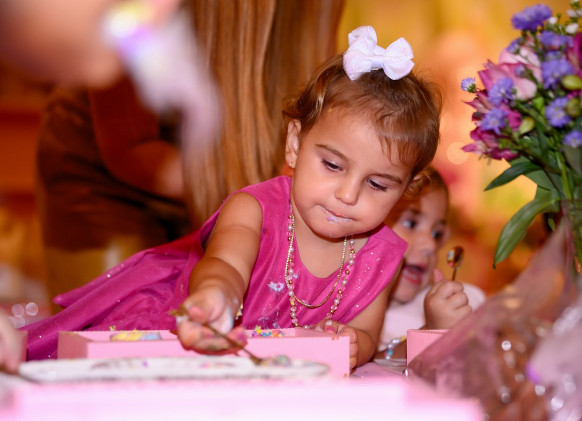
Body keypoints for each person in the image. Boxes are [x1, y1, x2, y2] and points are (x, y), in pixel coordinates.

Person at [24, 26, 441, 368]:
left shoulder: (383, 255)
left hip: (268, 376)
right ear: (295, 144)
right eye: (332, 165)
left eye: (377, 185)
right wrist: (216, 295)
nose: (347, 194)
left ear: (406, 189)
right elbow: (226, 264)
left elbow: (367, 332)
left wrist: (355, 344)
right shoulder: (254, 210)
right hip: (177, 338)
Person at [35, 0, 345, 308]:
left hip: (234, 173)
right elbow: (130, 150)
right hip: (108, 175)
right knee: (116, 315)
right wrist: (255, 204)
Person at [377, 167, 486, 360]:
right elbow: (369, 367)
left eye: (437, 234)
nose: (430, 244)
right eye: (410, 223)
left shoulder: (465, 300)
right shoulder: (350, 314)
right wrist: (431, 331)